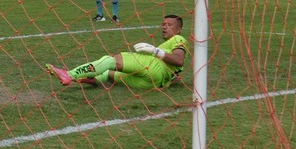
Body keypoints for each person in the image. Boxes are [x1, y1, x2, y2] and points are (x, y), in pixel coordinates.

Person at [45, 13, 189, 90]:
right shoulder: (169, 43)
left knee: (110, 60)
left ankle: (69, 74)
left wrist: (155, 51)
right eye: (163, 24)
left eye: (169, 25)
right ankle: (89, 79)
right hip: (154, 84)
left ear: (178, 29)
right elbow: (177, 68)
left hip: (153, 66)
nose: (164, 27)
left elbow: (178, 60)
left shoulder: (178, 38)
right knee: (109, 74)